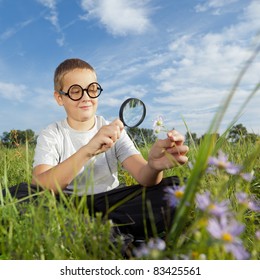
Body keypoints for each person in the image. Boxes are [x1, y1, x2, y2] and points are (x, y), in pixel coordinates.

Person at [5, 58, 189, 244]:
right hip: (68, 204)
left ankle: (96, 233)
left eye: (92, 89)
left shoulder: (113, 129)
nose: (86, 97)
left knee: (180, 189)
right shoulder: (52, 133)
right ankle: (114, 236)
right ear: (59, 98)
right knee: (14, 195)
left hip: (112, 203)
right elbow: (40, 184)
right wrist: (87, 150)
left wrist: (154, 166)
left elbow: (145, 176)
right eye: (75, 91)